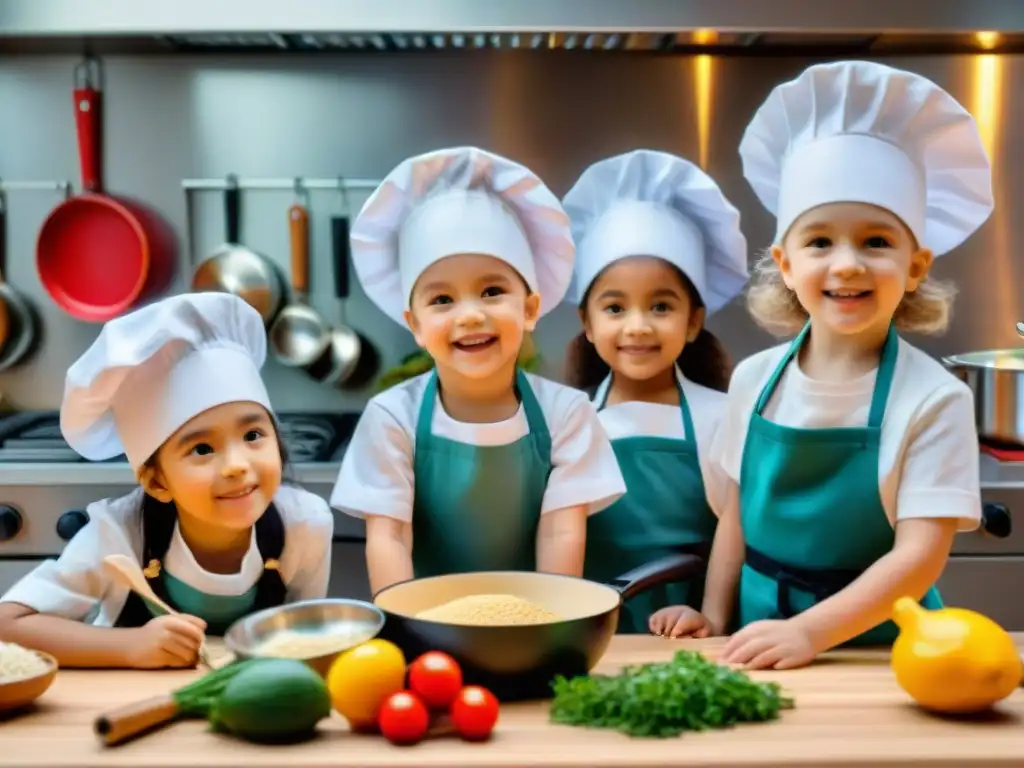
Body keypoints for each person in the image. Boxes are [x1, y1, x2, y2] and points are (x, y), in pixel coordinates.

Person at [654, 60, 994, 668]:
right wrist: (714, 612)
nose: (846, 265)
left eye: (876, 241)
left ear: (916, 266)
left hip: (882, 649)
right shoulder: (756, 380)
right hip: (758, 636)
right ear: (786, 263)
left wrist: (811, 633)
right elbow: (736, 514)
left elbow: (919, 555)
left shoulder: (935, 397)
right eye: (819, 242)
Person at [330, 146, 626, 594]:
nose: (469, 315)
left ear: (529, 308)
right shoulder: (392, 417)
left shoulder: (566, 413)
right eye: (442, 300)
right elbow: (390, 536)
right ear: (414, 325)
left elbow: (560, 532)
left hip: (531, 622)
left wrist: (549, 626)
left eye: (491, 291)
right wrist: (405, 629)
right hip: (427, 630)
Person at [0, 293, 333, 669]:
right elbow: (8, 624)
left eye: (253, 435)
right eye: (203, 449)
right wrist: (128, 647)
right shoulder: (119, 537)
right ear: (157, 482)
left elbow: (306, 640)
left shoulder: (305, 526)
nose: (236, 465)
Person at [562, 149, 749, 634]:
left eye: (661, 306)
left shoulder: (723, 417)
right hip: (589, 632)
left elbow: (741, 535)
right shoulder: (568, 419)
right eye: (615, 308)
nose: (638, 326)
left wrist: (708, 615)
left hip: (691, 634)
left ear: (693, 322)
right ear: (587, 322)